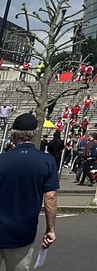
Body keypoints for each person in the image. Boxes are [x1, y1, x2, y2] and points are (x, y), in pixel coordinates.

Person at [0, 113, 58, 270]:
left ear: (13, 135)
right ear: (34, 134)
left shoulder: (2, 159)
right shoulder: (46, 161)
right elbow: (50, 197)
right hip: (22, 232)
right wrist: (50, 229)